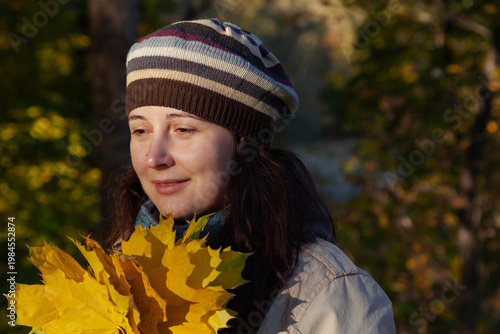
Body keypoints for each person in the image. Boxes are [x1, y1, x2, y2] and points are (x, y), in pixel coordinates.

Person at [103, 18, 396, 333]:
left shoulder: (330, 296)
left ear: (246, 144)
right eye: (141, 129)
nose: (153, 157)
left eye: (184, 129)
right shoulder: (115, 275)